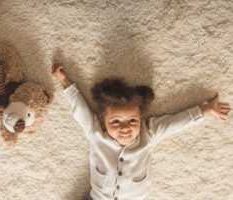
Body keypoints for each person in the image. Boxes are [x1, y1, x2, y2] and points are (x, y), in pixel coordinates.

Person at [52, 63, 231, 200]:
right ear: (103, 121)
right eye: (115, 121)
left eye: (132, 121)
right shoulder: (97, 135)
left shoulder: (148, 134)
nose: (125, 128)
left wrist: (204, 110)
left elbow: (174, 123)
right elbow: (81, 111)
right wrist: (65, 82)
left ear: (140, 119)